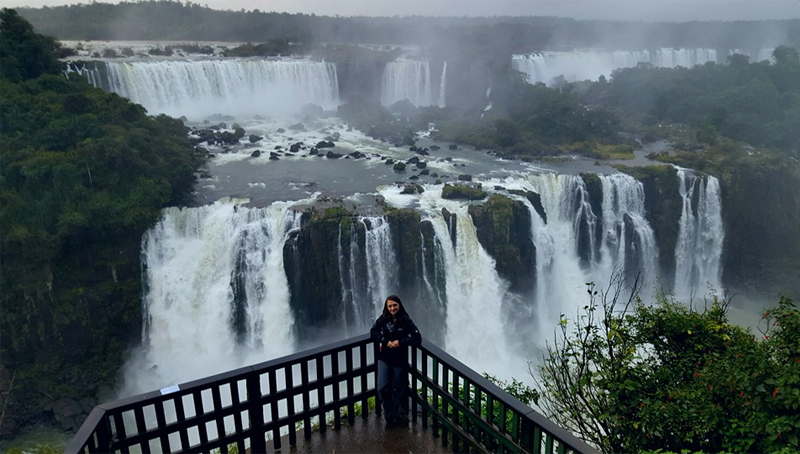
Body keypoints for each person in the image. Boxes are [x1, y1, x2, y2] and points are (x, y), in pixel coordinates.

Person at [370, 294, 421, 428]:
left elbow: (417, 338)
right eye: (390, 306)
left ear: (399, 305)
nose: (392, 308)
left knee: (398, 388)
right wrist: (385, 341)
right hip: (384, 358)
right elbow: (373, 332)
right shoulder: (384, 319)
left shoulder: (406, 320)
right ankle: (390, 412)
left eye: (395, 305)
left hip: (399, 360)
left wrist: (400, 342)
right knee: (381, 387)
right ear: (387, 307)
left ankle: (392, 416)